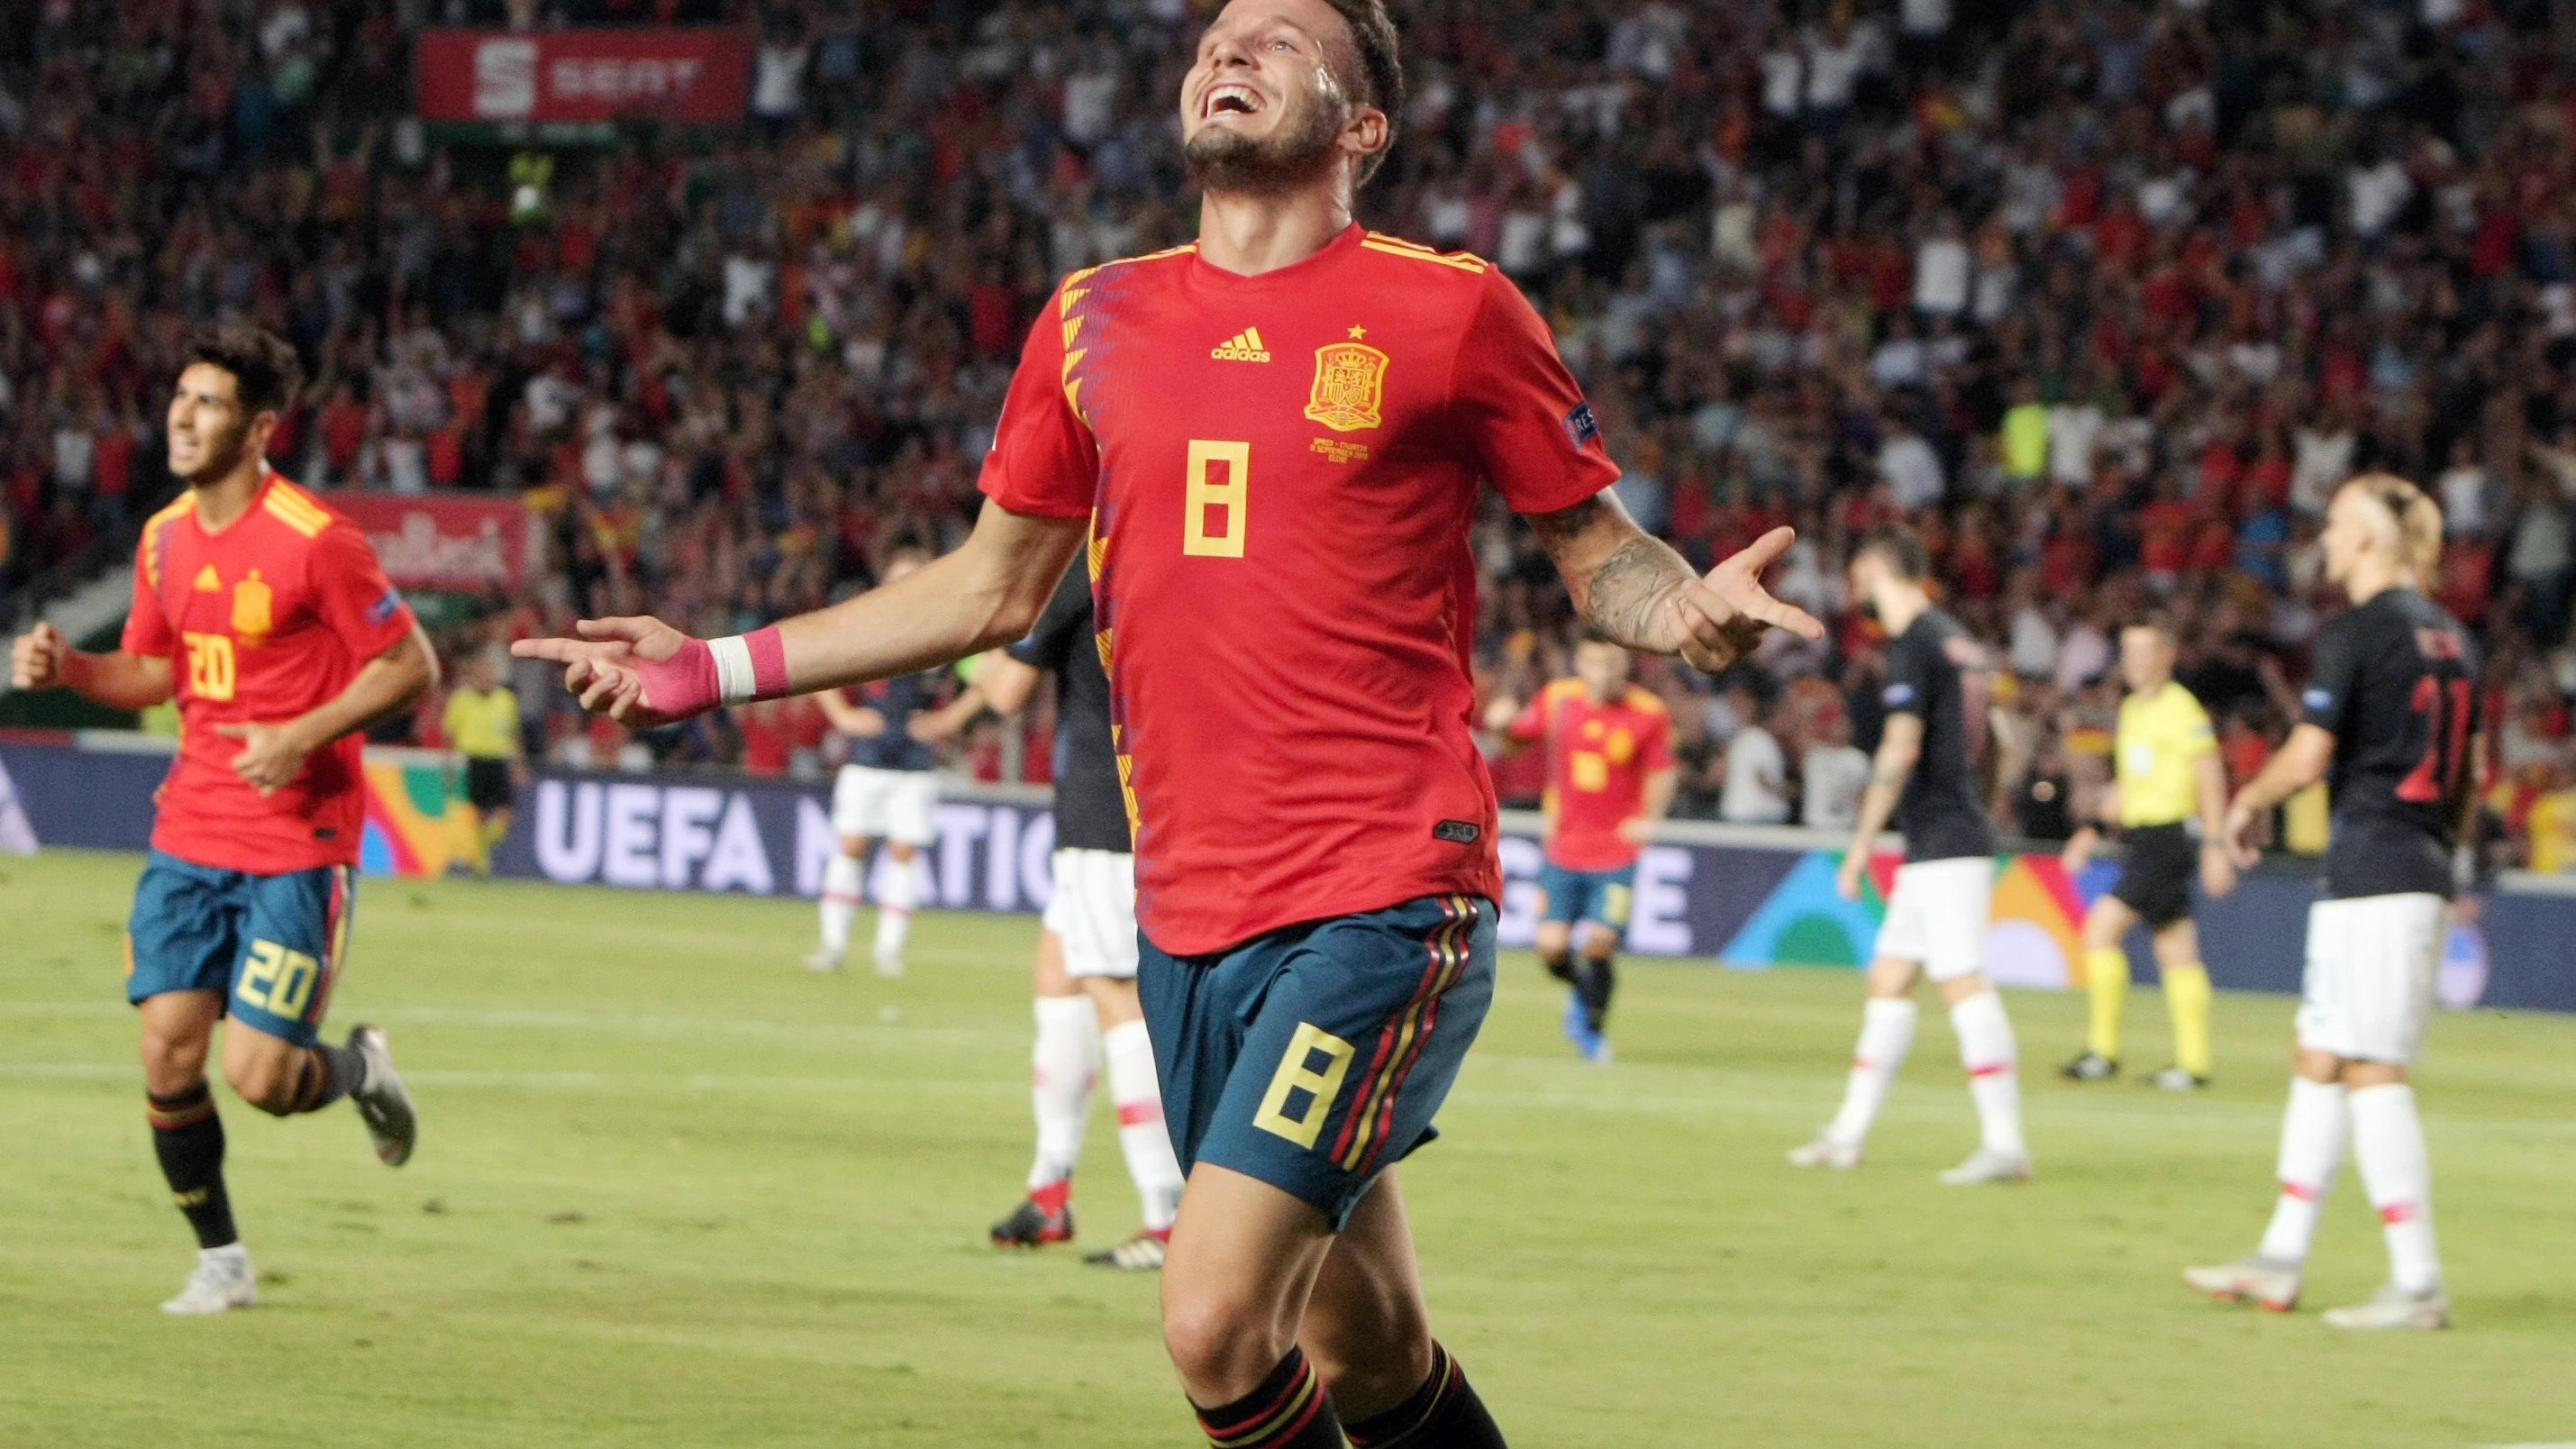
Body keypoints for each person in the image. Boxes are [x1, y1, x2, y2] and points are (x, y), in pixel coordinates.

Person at [514, 0, 1823, 1438]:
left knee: (1209, 1324)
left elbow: (1601, 556)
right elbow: (985, 587)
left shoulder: (1450, 312)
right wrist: (712, 667)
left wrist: (1686, 611)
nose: (1227, 52)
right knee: (1370, 1348)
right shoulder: (1091, 320)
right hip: (1186, 909)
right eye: (1213, 36)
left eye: (1275, 38)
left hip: (1382, 889)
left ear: (1362, 127)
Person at [8, 326, 432, 1315]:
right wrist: (72, 671)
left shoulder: (318, 541)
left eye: (206, 403)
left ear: (259, 429)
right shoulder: (162, 538)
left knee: (262, 1076)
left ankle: (356, 1067)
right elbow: (157, 670)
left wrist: (301, 736)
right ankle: (223, 1260)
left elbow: (412, 664)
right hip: (190, 829)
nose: (181, 415)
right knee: (167, 1048)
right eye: (180, 398)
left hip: (297, 843)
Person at [2186, 475, 2478, 1331]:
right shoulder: (2455, 639)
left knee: (2370, 1068)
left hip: (2379, 868)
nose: (2326, 537)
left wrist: (2244, 802)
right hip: (2397, 864)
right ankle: (2280, 1256)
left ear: (2374, 542)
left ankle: (2418, 1282)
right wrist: (2442, 862)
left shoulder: (2358, 629)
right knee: (2318, 1051)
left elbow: (2309, 755)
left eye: (2341, 523)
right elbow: (2470, 774)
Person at [915, 564, 1188, 1269]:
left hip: (1104, 812)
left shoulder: (1078, 563)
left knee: (1114, 998)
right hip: (1154, 795)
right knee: (1058, 979)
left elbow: (1005, 692)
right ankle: (1048, 1191)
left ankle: (1165, 1216)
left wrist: (959, 681)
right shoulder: (1158, 549)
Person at [1791, 524, 2032, 1185]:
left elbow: (1900, 747)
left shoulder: (1912, 644)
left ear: (1874, 569)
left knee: (1962, 981)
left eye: (1857, 575)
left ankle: (2005, 1142)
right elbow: (2006, 743)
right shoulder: (1960, 641)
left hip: (1944, 839)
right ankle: (1846, 1134)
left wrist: (1861, 845)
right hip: (1949, 831)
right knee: (1891, 979)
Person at [2057, 615, 2236, 1089]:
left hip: (2167, 837)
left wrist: (2216, 844)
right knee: (2175, 947)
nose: (2132, 662)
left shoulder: (2183, 709)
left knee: (2100, 930)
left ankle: (2102, 1052)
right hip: (2144, 837)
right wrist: (2091, 830)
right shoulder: (2134, 709)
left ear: (2167, 656)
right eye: (2127, 651)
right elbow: (2127, 783)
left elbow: (2209, 775)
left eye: (2143, 651)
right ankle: (2193, 1064)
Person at [1484, 633, 1678, 1063]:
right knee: (1552, 947)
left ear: (1625, 665)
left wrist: (1651, 819)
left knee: (1600, 941)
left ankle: (1591, 1029)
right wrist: (1499, 724)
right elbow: (1513, 741)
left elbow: (1663, 771)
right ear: (1579, 662)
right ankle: (1580, 990)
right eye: (1594, 663)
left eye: (1612, 664)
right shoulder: (1558, 699)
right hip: (1564, 845)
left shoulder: (1648, 712)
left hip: (1616, 850)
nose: (1603, 674)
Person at [807, 545, 948, 978]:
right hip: (868, 758)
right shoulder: (866, 623)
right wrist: (842, 715)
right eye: (899, 575)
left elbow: (985, 676)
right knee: (851, 846)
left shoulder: (944, 630)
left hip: (915, 761)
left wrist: (948, 720)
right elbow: (814, 659)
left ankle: (889, 952)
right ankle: (832, 945)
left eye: (914, 575)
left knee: (903, 854)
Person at [442, 647, 525, 877]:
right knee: (477, 814)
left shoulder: (505, 699)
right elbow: (449, 736)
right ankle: (482, 864)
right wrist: (448, 766)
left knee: (506, 817)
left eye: (491, 674)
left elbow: (514, 734)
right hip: (474, 761)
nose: (487, 679)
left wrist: (519, 764)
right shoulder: (461, 700)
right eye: (482, 674)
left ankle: (481, 849)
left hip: (498, 761)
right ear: (474, 676)